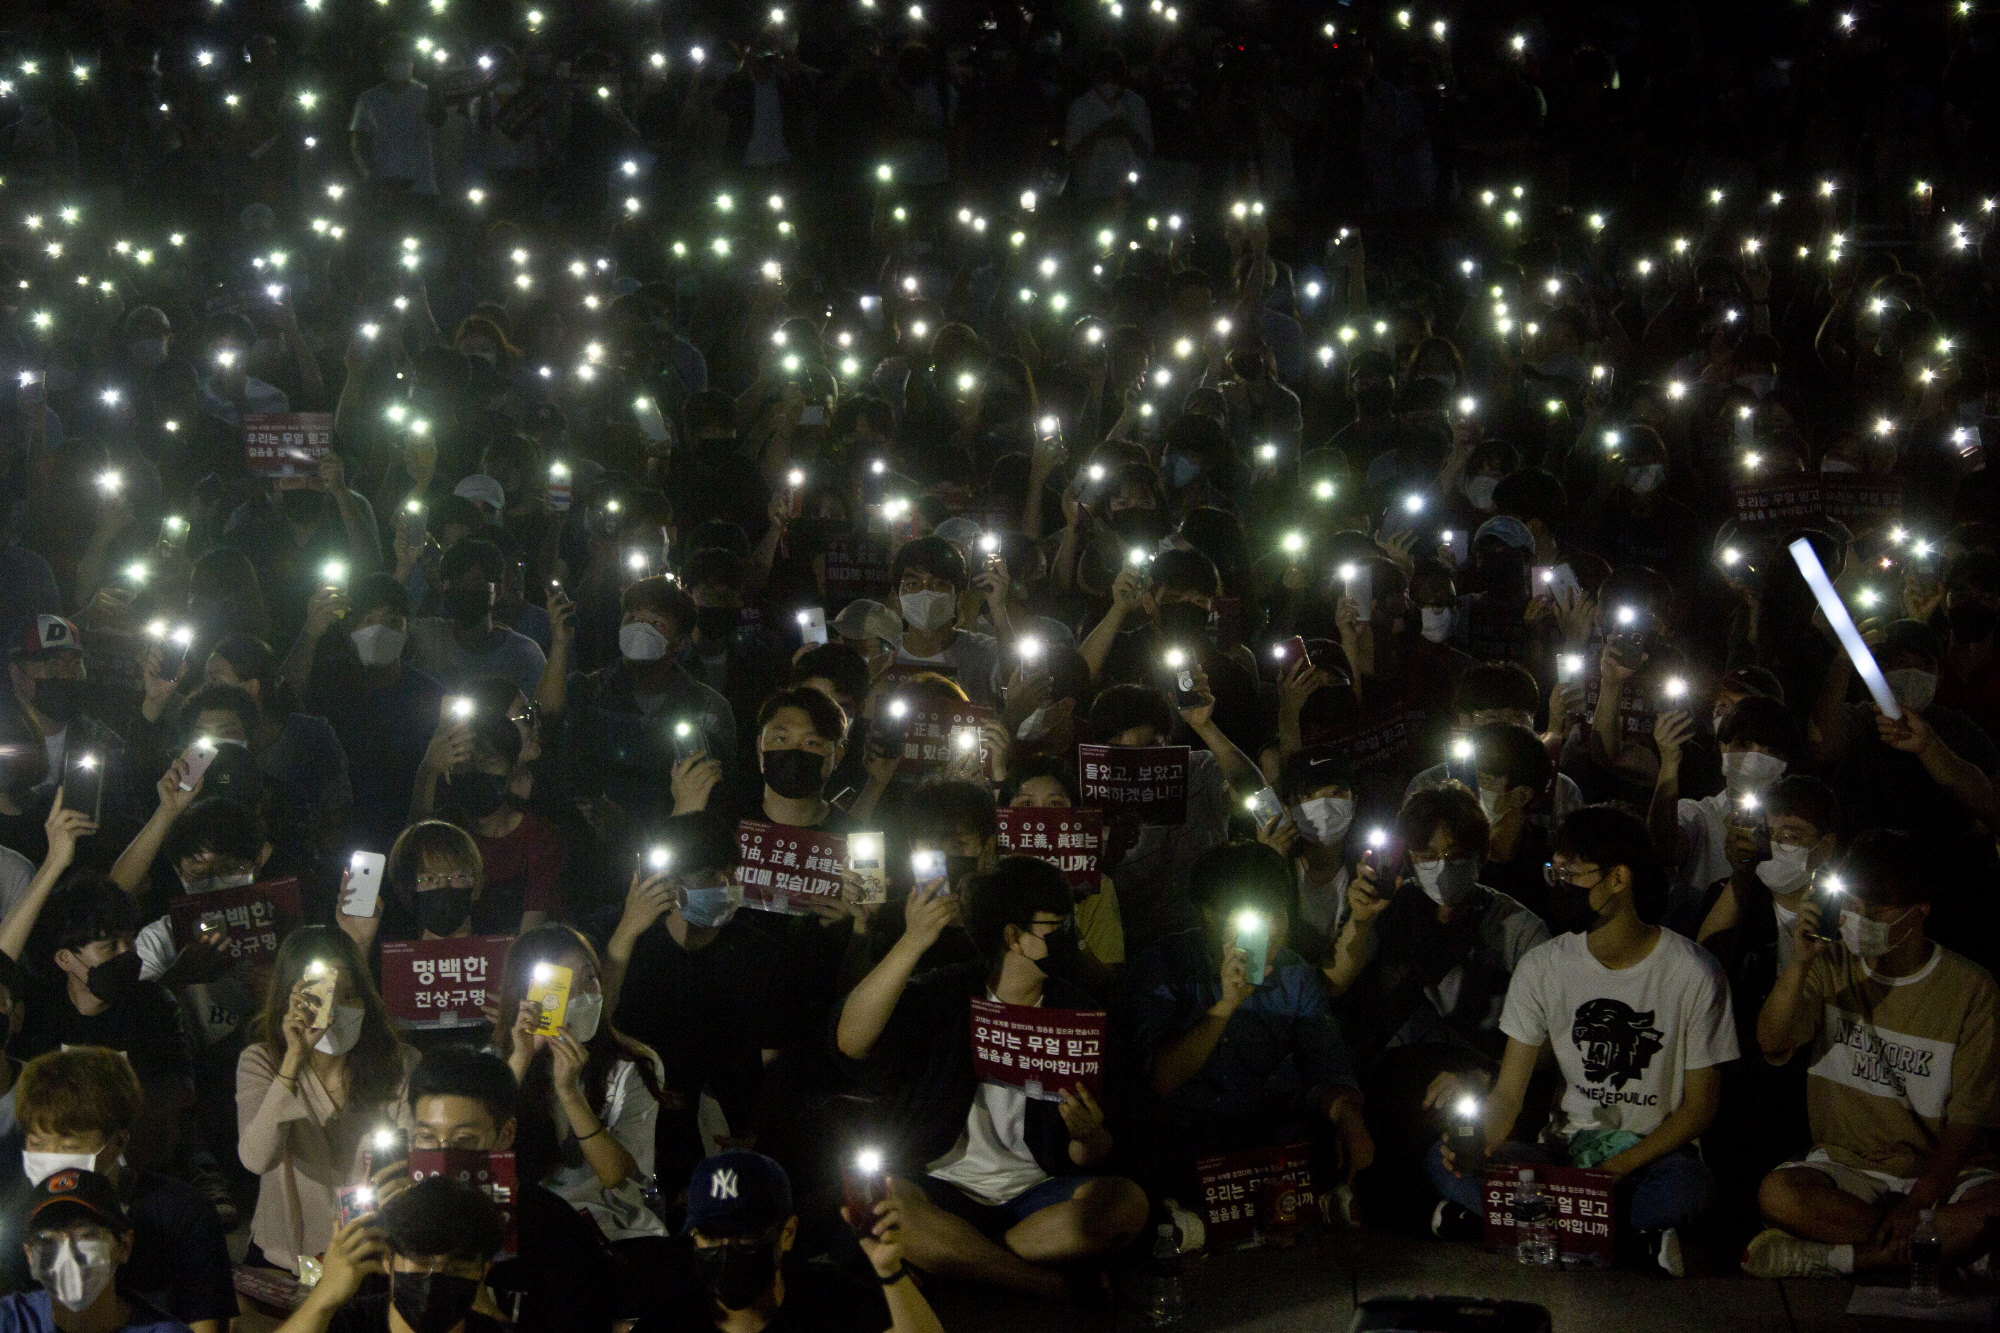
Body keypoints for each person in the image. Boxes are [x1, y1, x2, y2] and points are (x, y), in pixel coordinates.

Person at [1427, 807, 1736, 1275]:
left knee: (1688, 1190)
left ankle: (1504, 1223)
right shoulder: (1543, 966)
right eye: (1556, 872)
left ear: (1618, 879)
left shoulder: (1692, 972)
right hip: (1563, 1154)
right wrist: (1476, 1145)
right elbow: (1510, 1093)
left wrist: (1611, 1173)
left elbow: (1699, 1109)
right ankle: (1626, 1242)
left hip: (1649, 1160)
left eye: (1572, 874)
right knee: (1441, 1159)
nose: (1560, 886)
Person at [835, 857, 1149, 1302]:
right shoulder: (949, 993)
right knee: (877, 1205)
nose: (1069, 936)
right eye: (1054, 925)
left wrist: (1088, 1133)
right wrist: (913, 940)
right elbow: (851, 1040)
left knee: (1126, 1204)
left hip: (1037, 1196)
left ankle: (963, 1263)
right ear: (1012, 936)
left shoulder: (1078, 1014)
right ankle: (1048, 1285)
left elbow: (1091, 1153)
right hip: (941, 1187)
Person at [1744, 830, 2000, 1278]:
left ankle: (1843, 1259)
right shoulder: (1831, 964)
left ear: (1918, 913)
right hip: (1849, 1167)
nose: (1856, 918)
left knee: (1993, 1210)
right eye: (1852, 904)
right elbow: (1771, 1040)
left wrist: (1918, 1203)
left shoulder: (1972, 989)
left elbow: (1968, 1121)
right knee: (1780, 1192)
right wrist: (1800, 961)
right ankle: (1942, 1257)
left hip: (1942, 1175)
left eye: (1874, 910)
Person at [1322, 785, 1548, 1229]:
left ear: (1482, 854)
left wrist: (1486, 1075)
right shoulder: (1393, 908)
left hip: (1478, 1073)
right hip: (1396, 1072)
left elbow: (1550, 1040)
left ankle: (1444, 1210)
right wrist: (1360, 921)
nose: (1441, 867)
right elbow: (1334, 982)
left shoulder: (1521, 929)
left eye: (1454, 853)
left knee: (1451, 1143)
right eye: (1427, 855)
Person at [1126, 840, 1373, 1200]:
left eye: (1278, 914)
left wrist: (1349, 1115)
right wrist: (1225, 1006)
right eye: (1252, 917)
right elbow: (1159, 1080)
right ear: (1208, 914)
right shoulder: (1165, 965)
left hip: (1262, 1132)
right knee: (1149, 1153)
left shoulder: (1294, 975)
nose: (1270, 930)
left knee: (1328, 1137)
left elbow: (1326, 1064)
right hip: (1183, 1132)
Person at [600, 814, 783, 1189]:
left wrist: (757, 1127)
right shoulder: (625, 939)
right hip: (636, 1123)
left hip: (723, 1134)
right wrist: (627, 930)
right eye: (709, 874)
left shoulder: (760, 953)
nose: (726, 885)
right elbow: (596, 1018)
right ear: (669, 880)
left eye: (732, 871)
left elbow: (775, 1052)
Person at [396, 1046, 620, 1332]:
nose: (444, 1157)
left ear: (506, 1134)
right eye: (426, 1137)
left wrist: (476, 1304)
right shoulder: (393, 1221)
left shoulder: (553, 1227)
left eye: (464, 1139)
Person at [7, 1048, 232, 1333]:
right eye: (37, 1145)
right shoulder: (21, 1218)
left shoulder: (184, 1214)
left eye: (68, 1146)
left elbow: (205, 1325)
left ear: (118, 1143)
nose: (51, 1159)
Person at [236, 927, 418, 1276]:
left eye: (348, 996)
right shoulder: (261, 1061)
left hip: (375, 1255)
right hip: (285, 1260)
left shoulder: (400, 1062)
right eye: (321, 998)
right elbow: (257, 1158)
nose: (335, 1012)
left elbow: (412, 1161)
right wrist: (292, 1060)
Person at [492, 925, 668, 1245]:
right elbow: (478, 1151)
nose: (584, 994)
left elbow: (615, 1175)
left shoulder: (634, 1064)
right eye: (561, 985)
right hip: (527, 1224)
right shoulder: (495, 1063)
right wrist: (520, 1060)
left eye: (589, 977)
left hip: (609, 1226)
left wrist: (570, 1092)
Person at [538, 576, 737, 820]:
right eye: (632, 618)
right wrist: (560, 643)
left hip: (670, 837)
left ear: (680, 643)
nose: (640, 629)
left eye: (656, 622)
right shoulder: (588, 690)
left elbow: (718, 795)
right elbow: (545, 719)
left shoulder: (708, 708)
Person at [289, 574, 446, 853]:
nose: (379, 631)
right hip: (334, 834)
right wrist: (311, 632)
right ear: (349, 628)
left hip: (404, 832)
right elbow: (287, 699)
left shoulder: (429, 694)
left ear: (407, 629)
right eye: (367, 620)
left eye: (392, 621)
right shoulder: (327, 680)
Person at [270, 1178, 506, 1333]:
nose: (435, 1279)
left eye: (457, 1268)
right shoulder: (346, 1323)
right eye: (421, 1261)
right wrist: (323, 1297)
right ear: (387, 1259)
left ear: (483, 1272)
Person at [0, 1168, 192, 1333]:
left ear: (124, 1246)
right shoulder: (11, 1321)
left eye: (86, 1236)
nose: (66, 1254)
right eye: (48, 1240)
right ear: (29, 1254)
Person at [405, 540, 546, 699]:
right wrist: (404, 566)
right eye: (457, 582)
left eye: (475, 581)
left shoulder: (524, 654)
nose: (464, 589)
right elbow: (385, 626)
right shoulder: (428, 637)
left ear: (497, 589)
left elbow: (542, 712)